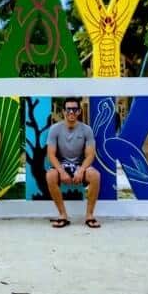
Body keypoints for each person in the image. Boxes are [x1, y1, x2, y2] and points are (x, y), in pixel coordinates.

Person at [45, 97, 101, 228]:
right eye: (68, 109)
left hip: (80, 166)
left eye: (74, 109)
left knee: (95, 175)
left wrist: (81, 170)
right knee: (50, 175)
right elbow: (51, 155)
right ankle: (63, 215)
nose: (71, 112)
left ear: (79, 111)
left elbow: (90, 155)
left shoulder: (86, 130)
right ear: (63, 111)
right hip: (62, 165)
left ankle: (89, 216)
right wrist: (62, 172)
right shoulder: (55, 129)